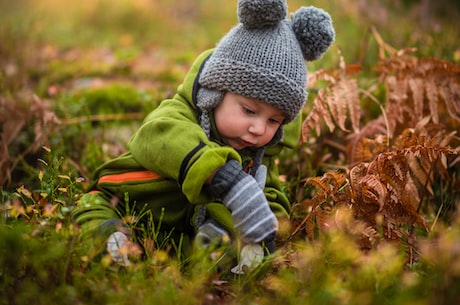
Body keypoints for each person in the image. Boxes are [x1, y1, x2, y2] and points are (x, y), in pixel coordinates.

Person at [72, 0, 335, 271]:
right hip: (126, 200)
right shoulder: (178, 114)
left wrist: (265, 230)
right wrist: (224, 178)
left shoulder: (258, 154)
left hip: (178, 236)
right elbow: (158, 135)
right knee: (92, 206)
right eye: (248, 110)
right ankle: (110, 238)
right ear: (215, 94)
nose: (258, 129)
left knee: (234, 239)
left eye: (273, 120)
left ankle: (215, 255)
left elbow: (269, 194)